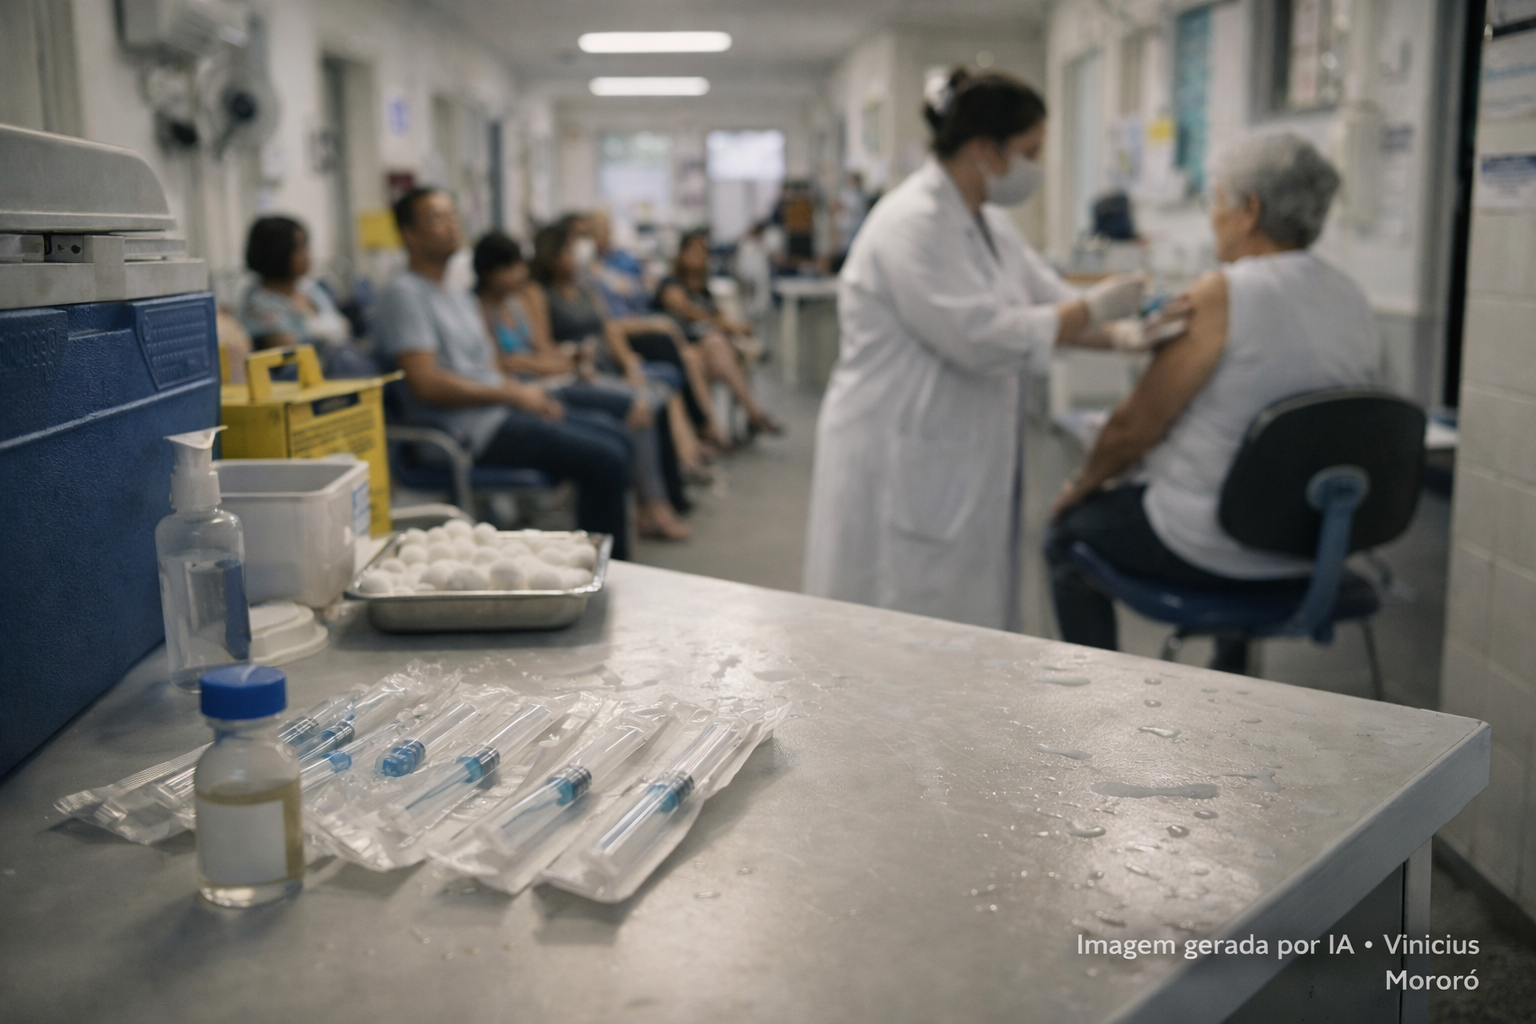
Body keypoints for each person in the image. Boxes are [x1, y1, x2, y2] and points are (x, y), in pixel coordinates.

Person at [802, 68, 1154, 631]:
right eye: (1029, 151)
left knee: (962, 610)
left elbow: (1044, 301)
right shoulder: (912, 223)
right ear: (983, 149)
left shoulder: (989, 220)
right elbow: (982, 335)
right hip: (900, 438)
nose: (1035, 167)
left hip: (958, 439)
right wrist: (1095, 311)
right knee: (895, 614)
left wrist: (1125, 335)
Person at [1045, 132, 1378, 671]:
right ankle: (1231, 677)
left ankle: (1093, 699)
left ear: (1249, 211)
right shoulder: (1351, 298)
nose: (1212, 216)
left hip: (1211, 544)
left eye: (1216, 201)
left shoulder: (1222, 293)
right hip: (1314, 543)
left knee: (1065, 534)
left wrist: (1077, 486)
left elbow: (1134, 426)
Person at [374, 188, 634, 558]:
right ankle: (602, 571)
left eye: (452, 215)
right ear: (409, 234)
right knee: (606, 458)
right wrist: (514, 394)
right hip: (467, 432)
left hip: (500, 411)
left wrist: (529, 394)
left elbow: (491, 368)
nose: (451, 225)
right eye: (437, 218)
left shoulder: (456, 294)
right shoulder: (405, 294)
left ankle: (599, 561)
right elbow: (426, 384)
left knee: (618, 439)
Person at [472, 231, 690, 541]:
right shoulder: (480, 309)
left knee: (642, 406)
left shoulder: (520, 302)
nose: (520, 273)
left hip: (546, 381)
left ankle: (655, 501)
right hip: (531, 390)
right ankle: (651, 505)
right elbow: (505, 364)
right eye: (510, 267)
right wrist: (564, 364)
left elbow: (538, 348)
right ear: (490, 272)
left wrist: (569, 358)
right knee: (627, 422)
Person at [523, 218, 730, 463]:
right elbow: (542, 345)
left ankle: (688, 455)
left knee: (664, 373)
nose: (577, 253)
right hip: (581, 364)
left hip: (603, 355)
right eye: (570, 248)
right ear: (553, 255)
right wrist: (573, 356)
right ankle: (682, 463)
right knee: (646, 397)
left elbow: (609, 326)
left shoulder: (585, 286)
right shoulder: (539, 292)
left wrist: (630, 365)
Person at [655, 228, 782, 436]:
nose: (701, 257)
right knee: (706, 350)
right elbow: (687, 312)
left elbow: (718, 318)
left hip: (707, 351)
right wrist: (729, 326)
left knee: (714, 346)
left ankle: (723, 425)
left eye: (704, 252)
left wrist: (734, 327)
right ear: (682, 254)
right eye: (695, 252)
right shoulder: (670, 285)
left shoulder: (705, 291)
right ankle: (748, 414)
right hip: (680, 347)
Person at [238, 216, 376, 377]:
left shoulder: (312, 290)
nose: (308, 254)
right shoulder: (260, 305)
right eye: (300, 247)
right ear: (278, 251)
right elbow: (289, 361)